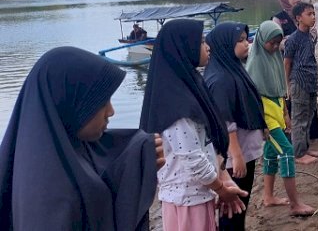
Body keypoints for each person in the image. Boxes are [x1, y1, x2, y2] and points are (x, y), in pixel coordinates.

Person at [0, 46, 163, 230]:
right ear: (70, 104)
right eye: (102, 102)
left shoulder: (57, 152)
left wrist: (140, 161)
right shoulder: (50, 199)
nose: (111, 112)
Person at [139, 19, 247, 230]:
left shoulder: (190, 85)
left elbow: (206, 142)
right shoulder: (176, 102)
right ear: (183, 47)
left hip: (199, 192)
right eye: (200, 42)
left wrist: (222, 178)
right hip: (186, 197)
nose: (207, 47)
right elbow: (192, 157)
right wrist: (220, 189)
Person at [245, 20, 315, 216]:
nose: (275, 47)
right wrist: (262, 125)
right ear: (262, 41)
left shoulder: (275, 57)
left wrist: (285, 113)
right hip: (266, 117)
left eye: (278, 43)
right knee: (286, 151)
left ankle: (268, 197)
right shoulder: (254, 64)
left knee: (270, 152)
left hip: (277, 111)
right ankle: (295, 204)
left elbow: (279, 89)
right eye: (271, 43)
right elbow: (253, 99)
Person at [204, 22, 267, 231]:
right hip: (235, 155)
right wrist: (236, 155)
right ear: (224, 46)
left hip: (244, 148)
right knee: (233, 206)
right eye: (239, 41)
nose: (246, 44)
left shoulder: (233, 68)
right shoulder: (221, 79)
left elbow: (249, 102)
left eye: (245, 38)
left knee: (240, 203)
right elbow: (225, 120)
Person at [271, 0, 318, 142]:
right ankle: (295, 140)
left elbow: (314, 35)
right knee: (294, 102)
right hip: (288, 64)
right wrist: (289, 41)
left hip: (305, 65)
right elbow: (276, 41)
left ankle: (310, 137)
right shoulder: (279, 18)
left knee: (310, 104)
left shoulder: (307, 14)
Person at [284, 3, 318, 164]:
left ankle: (304, 147)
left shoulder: (310, 36)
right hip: (299, 82)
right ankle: (298, 153)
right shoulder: (293, 39)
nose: (313, 17)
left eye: (314, 14)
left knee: (309, 114)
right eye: (309, 14)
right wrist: (287, 85)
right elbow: (287, 63)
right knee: (299, 117)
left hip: (311, 80)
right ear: (299, 18)